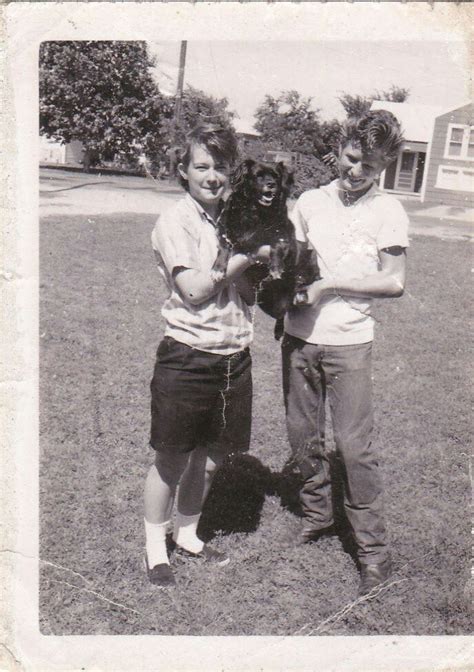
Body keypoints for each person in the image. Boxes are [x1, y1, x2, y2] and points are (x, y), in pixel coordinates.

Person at [282, 110, 409, 596]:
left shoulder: (388, 211)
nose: (356, 172)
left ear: (385, 166)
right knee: (302, 437)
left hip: (350, 341)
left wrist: (329, 284)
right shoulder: (309, 202)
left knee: (355, 449)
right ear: (339, 149)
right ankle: (317, 515)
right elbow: (288, 260)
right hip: (298, 338)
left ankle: (373, 552)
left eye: (370, 167)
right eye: (352, 158)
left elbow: (393, 281)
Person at [143, 123, 270, 588]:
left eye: (220, 167)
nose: (212, 176)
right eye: (202, 166)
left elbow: (251, 296)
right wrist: (244, 258)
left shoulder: (234, 218)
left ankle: (188, 534)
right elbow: (194, 289)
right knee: (172, 457)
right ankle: (156, 548)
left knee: (213, 457)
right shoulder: (174, 220)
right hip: (188, 355)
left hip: (234, 356)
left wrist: (258, 264)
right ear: (184, 170)